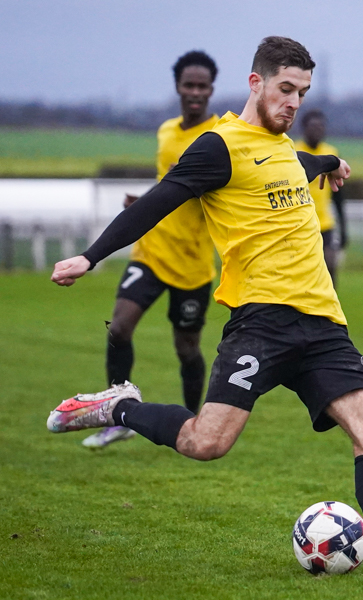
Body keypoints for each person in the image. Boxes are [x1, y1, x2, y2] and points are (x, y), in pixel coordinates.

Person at [47, 36, 363, 576]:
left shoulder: (284, 148)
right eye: (285, 89)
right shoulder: (218, 147)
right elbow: (156, 202)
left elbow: (299, 163)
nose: (294, 102)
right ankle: (119, 406)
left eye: (302, 93)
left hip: (323, 325)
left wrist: (332, 161)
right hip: (260, 324)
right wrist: (91, 256)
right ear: (256, 83)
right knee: (207, 442)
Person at [82, 50, 219, 449]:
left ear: (211, 90)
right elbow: (169, 186)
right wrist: (143, 201)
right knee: (119, 327)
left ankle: (192, 425)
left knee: (187, 348)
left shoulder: (219, 137)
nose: (195, 92)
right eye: (189, 85)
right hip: (151, 251)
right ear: (178, 87)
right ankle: (118, 415)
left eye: (203, 86)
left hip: (193, 263)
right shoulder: (165, 132)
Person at [295, 110, 347, 287]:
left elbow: (338, 196)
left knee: (330, 264)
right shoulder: (293, 151)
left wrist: (344, 228)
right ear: (304, 129)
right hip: (300, 224)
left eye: (321, 127)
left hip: (325, 223)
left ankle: (331, 301)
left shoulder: (331, 153)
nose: (317, 131)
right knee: (302, 272)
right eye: (313, 127)